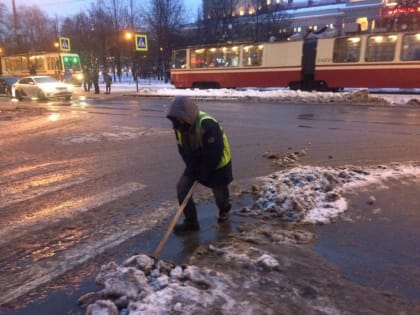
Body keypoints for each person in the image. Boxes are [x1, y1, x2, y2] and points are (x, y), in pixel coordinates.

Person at [166, 96, 233, 233]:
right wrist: (192, 168)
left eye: (179, 119)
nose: (177, 123)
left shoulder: (207, 124)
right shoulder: (179, 127)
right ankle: (191, 223)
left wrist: (202, 173)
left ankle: (224, 210)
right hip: (195, 162)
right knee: (182, 188)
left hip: (218, 164)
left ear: (187, 115)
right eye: (175, 119)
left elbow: (214, 154)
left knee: (220, 195)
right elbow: (182, 150)